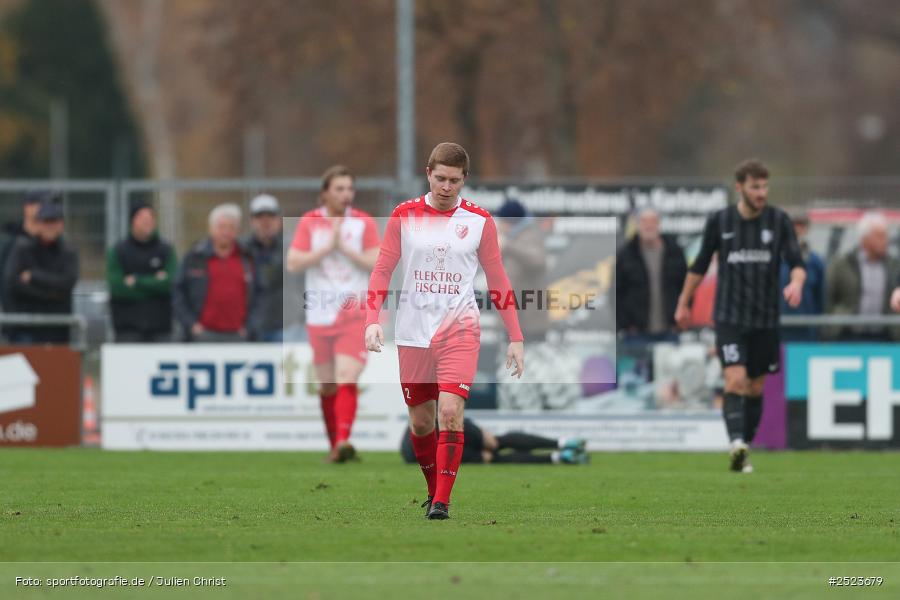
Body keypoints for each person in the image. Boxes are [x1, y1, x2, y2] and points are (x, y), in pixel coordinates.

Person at [365, 142, 525, 520]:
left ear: (464, 180)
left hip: (460, 329)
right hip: (412, 331)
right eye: (440, 178)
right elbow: (383, 269)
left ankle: (442, 502)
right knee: (421, 422)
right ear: (428, 173)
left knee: (450, 412)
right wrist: (372, 318)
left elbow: (498, 278)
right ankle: (432, 489)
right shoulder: (404, 215)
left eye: (454, 180)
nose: (446, 187)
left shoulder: (479, 221)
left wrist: (515, 337)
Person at [674, 159, 805, 473]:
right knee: (734, 379)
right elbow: (700, 265)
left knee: (755, 387)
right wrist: (683, 302)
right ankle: (736, 443)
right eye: (755, 186)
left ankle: (742, 449)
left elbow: (796, 261)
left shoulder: (778, 221)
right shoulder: (721, 221)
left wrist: (796, 282)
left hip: (765, 320)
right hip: (730, 318)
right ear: (740, 187)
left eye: (764, 186)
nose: (761, 193)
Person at [286, 166, 379, 463]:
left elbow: (375, 262)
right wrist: (328, 247)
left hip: (352, 311)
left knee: (346, 376)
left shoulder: (362, 222)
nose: (345, 195)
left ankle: (343, 441)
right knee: (327, 384)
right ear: (325, 192)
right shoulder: (310, 222)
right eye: (339, 189)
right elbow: (294, 262)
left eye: (349, 189)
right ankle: (335, 447)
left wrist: (344, 248)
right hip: (319, 314)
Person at [173, 203, 256, 342]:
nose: (226, 232)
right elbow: (178, 292)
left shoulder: (248, 257)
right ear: (210, 228)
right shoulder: (194, 257)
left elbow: (260, 295)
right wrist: (191, 324)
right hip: (203, 335)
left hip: (238, 336)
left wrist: (250, 326)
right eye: (221, 227)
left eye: (231, 227)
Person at [3, 201, 79, 344]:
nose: (49, 226)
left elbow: (67, 282)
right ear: (38, 224)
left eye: (54, 221)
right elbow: (13, 284)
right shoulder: (22, 248)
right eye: (46, 221)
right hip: (25, 330)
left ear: (61, 225)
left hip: (58, 330)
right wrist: (52, 293)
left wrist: (34, 276)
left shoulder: (68, 252)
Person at [824, 212, 900, 342]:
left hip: (885, 337)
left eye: (886, 235)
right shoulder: (842, 264)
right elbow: (828, 297)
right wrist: (831, 328)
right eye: (880, 236)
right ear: (865, 239)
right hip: (847, 336)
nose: (886, 240)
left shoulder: (894, 266)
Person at [107, 203, 176, 342]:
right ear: (132, 220)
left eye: (150, 217)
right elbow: (117, 288)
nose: (147, 221)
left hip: (160, 329)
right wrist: (155, 282)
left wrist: (136, 281)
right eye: (142, 217)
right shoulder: (119, 250)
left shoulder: (166, 250)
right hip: (127, 329)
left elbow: (170, 284)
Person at [615, 207, 687, 342]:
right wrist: (625, 324)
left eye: (653, 221)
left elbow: (687, 287)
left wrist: (680, 320)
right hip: (635, 334)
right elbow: (616, 293)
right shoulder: (626, 254)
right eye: (644, 221)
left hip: (670, 332)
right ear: (637, 224)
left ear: (659, 224)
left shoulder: (675, 252)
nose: (649, 225)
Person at [401, 418, 588, 466]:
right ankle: (562, 444)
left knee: (493, 455)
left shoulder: (410, 450)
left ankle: (560, 456)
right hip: (448, 431)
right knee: (497, 443)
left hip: (437, 446)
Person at [495, 199, 549, 341]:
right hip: (514, 319)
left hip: (530, 322)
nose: (500, 225)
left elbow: (537, 260)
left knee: (530, 361)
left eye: (502, 221)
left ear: (510, 221)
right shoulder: (511, 237)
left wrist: (508, 246)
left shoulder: (530, 235)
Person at [778, 211, 825, 341]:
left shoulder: (815, 261)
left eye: (802, 225)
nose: (797, 230)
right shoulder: (774, 258)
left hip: (806, 330)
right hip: (777, 328)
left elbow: (821, 297)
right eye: (794, 225)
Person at [244, 194, 284, 342]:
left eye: (270, 217)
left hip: (284, 327)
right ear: (252, 221)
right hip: (249, 328)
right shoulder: (241, 250)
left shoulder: (293, 249)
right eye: (260, 217)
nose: (265, 222)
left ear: (278, 220)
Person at [0, 191, 48, 311]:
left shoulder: (53, 244)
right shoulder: (11, 243)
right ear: (27, 207)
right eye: (40, 204)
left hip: (45, 313)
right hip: (15, 315)